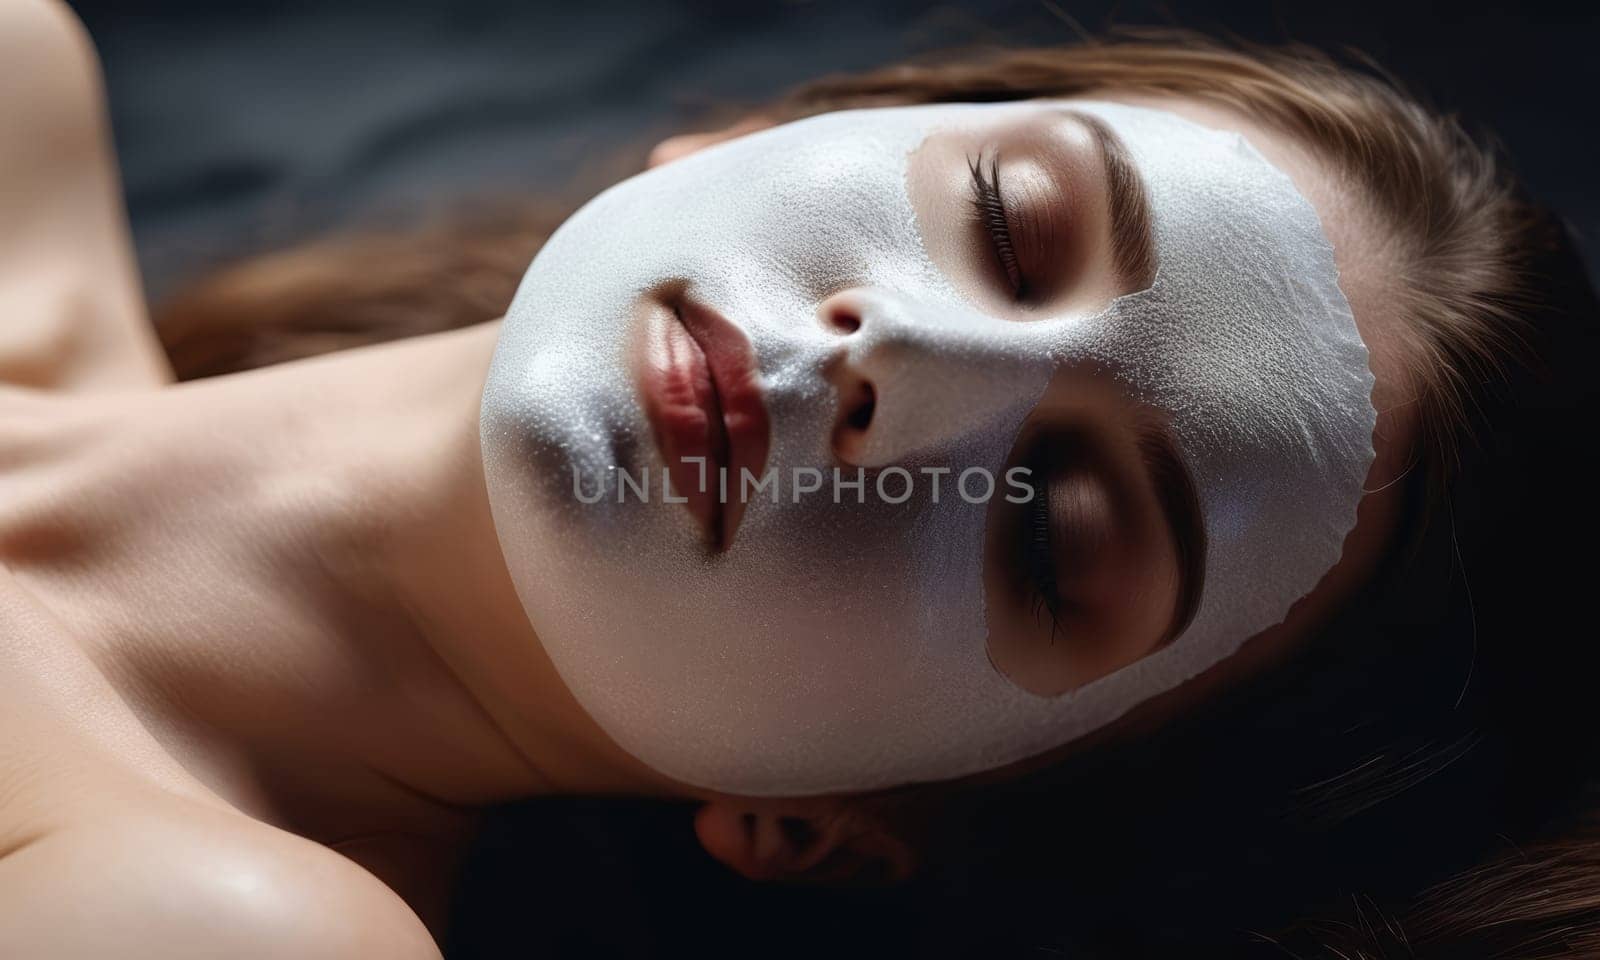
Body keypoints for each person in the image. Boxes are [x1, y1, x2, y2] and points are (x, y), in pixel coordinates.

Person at [2, 1, 1595, 956]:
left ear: (834, 824)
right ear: (758, 132)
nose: (895, 354)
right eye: (1005, 221)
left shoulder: (212, 926)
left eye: (1048, 532)